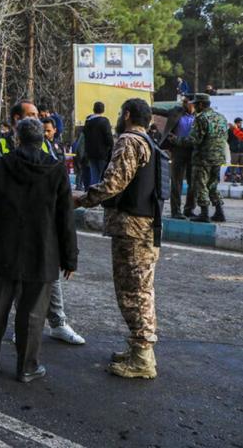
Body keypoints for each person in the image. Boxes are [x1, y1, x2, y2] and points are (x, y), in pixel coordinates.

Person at [0, 118, 78, 383]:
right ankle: (27, 367)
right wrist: (70, 258)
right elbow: (65, 218)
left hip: (4, 249)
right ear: (43, 140)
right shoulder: (56, 170)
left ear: (17, 139)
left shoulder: (0, 167)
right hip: (42, 253)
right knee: (33, 313)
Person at [76, 98, 162, 379]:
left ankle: (142, 358)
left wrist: (81, 199)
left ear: (127, 115)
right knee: (141, 290)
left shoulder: (128, 140)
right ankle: (140, 348)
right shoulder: (148, 142)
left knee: (132, 292)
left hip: (131, 228)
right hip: (146, 226)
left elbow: (113, 184)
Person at [171, 93, 228, 222]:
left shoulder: (201, 118)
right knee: (212, 185)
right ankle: (219, 212)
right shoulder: (221, 117)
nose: (195, 106)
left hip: (203, 158)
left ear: (201, 104)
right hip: (218, 157)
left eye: (196, 104)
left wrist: (177, 140)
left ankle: (204, 213)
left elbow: (194, 140)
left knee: (200, 185)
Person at [161, 96, 195, 218]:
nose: (188, 105)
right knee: (176, 182)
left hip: (193, 152)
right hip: (178, 150)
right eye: (185, 103)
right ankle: (175, 211)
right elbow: (161, 111)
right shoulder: (176, 111)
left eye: (190, 103)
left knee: (193, 183)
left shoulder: (200, 115)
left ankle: (189, 209)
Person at [83, 102, 113, 187]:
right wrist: (111, 147)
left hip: (91, 153)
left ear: (93, 109)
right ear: (103, 110)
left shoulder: (88, 122)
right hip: (103, 154)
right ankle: (101, 197)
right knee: (104, 176)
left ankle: (93, 195)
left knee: (94, 176)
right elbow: (109, 138)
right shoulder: (104, 121)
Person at [229, 118, 243, 185]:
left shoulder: (242, 130)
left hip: (242, 152)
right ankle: (233, 181)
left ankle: (242, 181)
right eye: (238, 122)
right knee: (233, 167)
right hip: (234, 152)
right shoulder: (230, 130)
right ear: (235, 123)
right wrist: (232, 146)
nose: (239, 124)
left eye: (240, 123)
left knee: (242, 167)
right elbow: (228, 139)